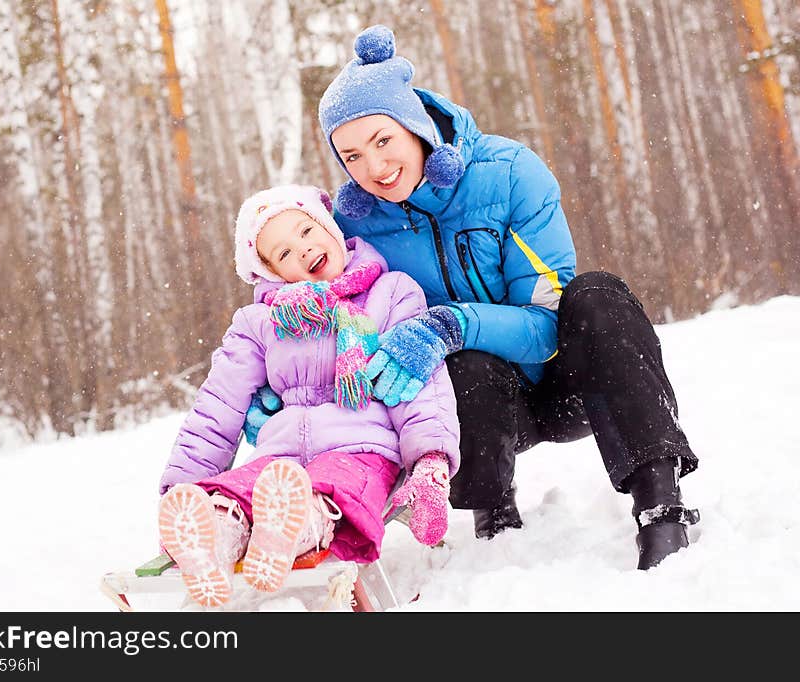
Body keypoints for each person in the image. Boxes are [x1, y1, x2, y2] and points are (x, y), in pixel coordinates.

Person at [248, 25, 700, 571]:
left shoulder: (509, 174)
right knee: (463, 360)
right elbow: (334, 312)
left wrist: (453, 322)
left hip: (568, 382)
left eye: (383, 141)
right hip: (474, 408)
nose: (374, 168)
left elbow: (545, 321)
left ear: (414, 125)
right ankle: (491, 509)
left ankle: (660, 503)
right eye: (352, 156)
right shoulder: (354, 226)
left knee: (597, 295)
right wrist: (282, 383)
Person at [157, 184, 460, 608]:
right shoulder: (260, 322)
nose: (301, 250)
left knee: (329, 490)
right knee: (236, 492)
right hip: (278, 457)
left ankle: (294, 525)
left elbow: (420, 385)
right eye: (282, 254)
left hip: (364, 449)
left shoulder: (391, 293)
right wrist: (181, 486)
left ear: (330, 229)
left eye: (304, 231)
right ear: (272, 275)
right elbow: (217, 406)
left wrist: (430, 461)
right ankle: (212, 535)